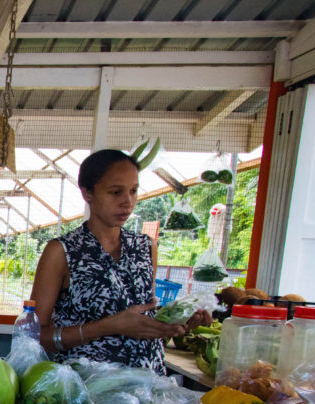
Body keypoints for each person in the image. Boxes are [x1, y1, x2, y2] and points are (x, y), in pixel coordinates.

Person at [29, 149, 210, 372]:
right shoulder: (62, 251)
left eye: (133, 191)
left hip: (148, 384)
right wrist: (109, 326)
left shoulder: (146, 247)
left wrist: (177, 319)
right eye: (116, 192)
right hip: (86, 391)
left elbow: (145, 312)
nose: (128, 202)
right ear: (88, 193)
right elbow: (34, 335)